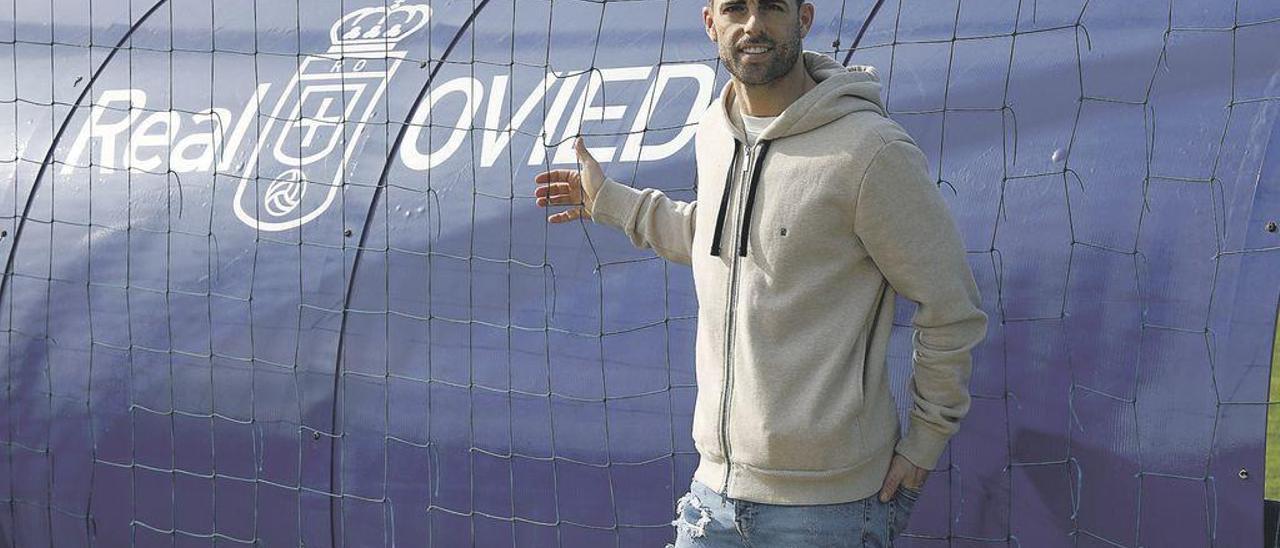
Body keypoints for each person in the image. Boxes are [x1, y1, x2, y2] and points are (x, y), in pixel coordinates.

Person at [533, 0, 987, 545]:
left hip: (828, 512)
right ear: (711, 23)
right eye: (736, 9)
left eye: (771, 6)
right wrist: (610, 201)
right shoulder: (716, 131)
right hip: (713, 500)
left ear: (804, 18)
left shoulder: (870, 150)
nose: (753, 24)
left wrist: (925, 441)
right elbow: (719, 240)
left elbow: (951, 306)